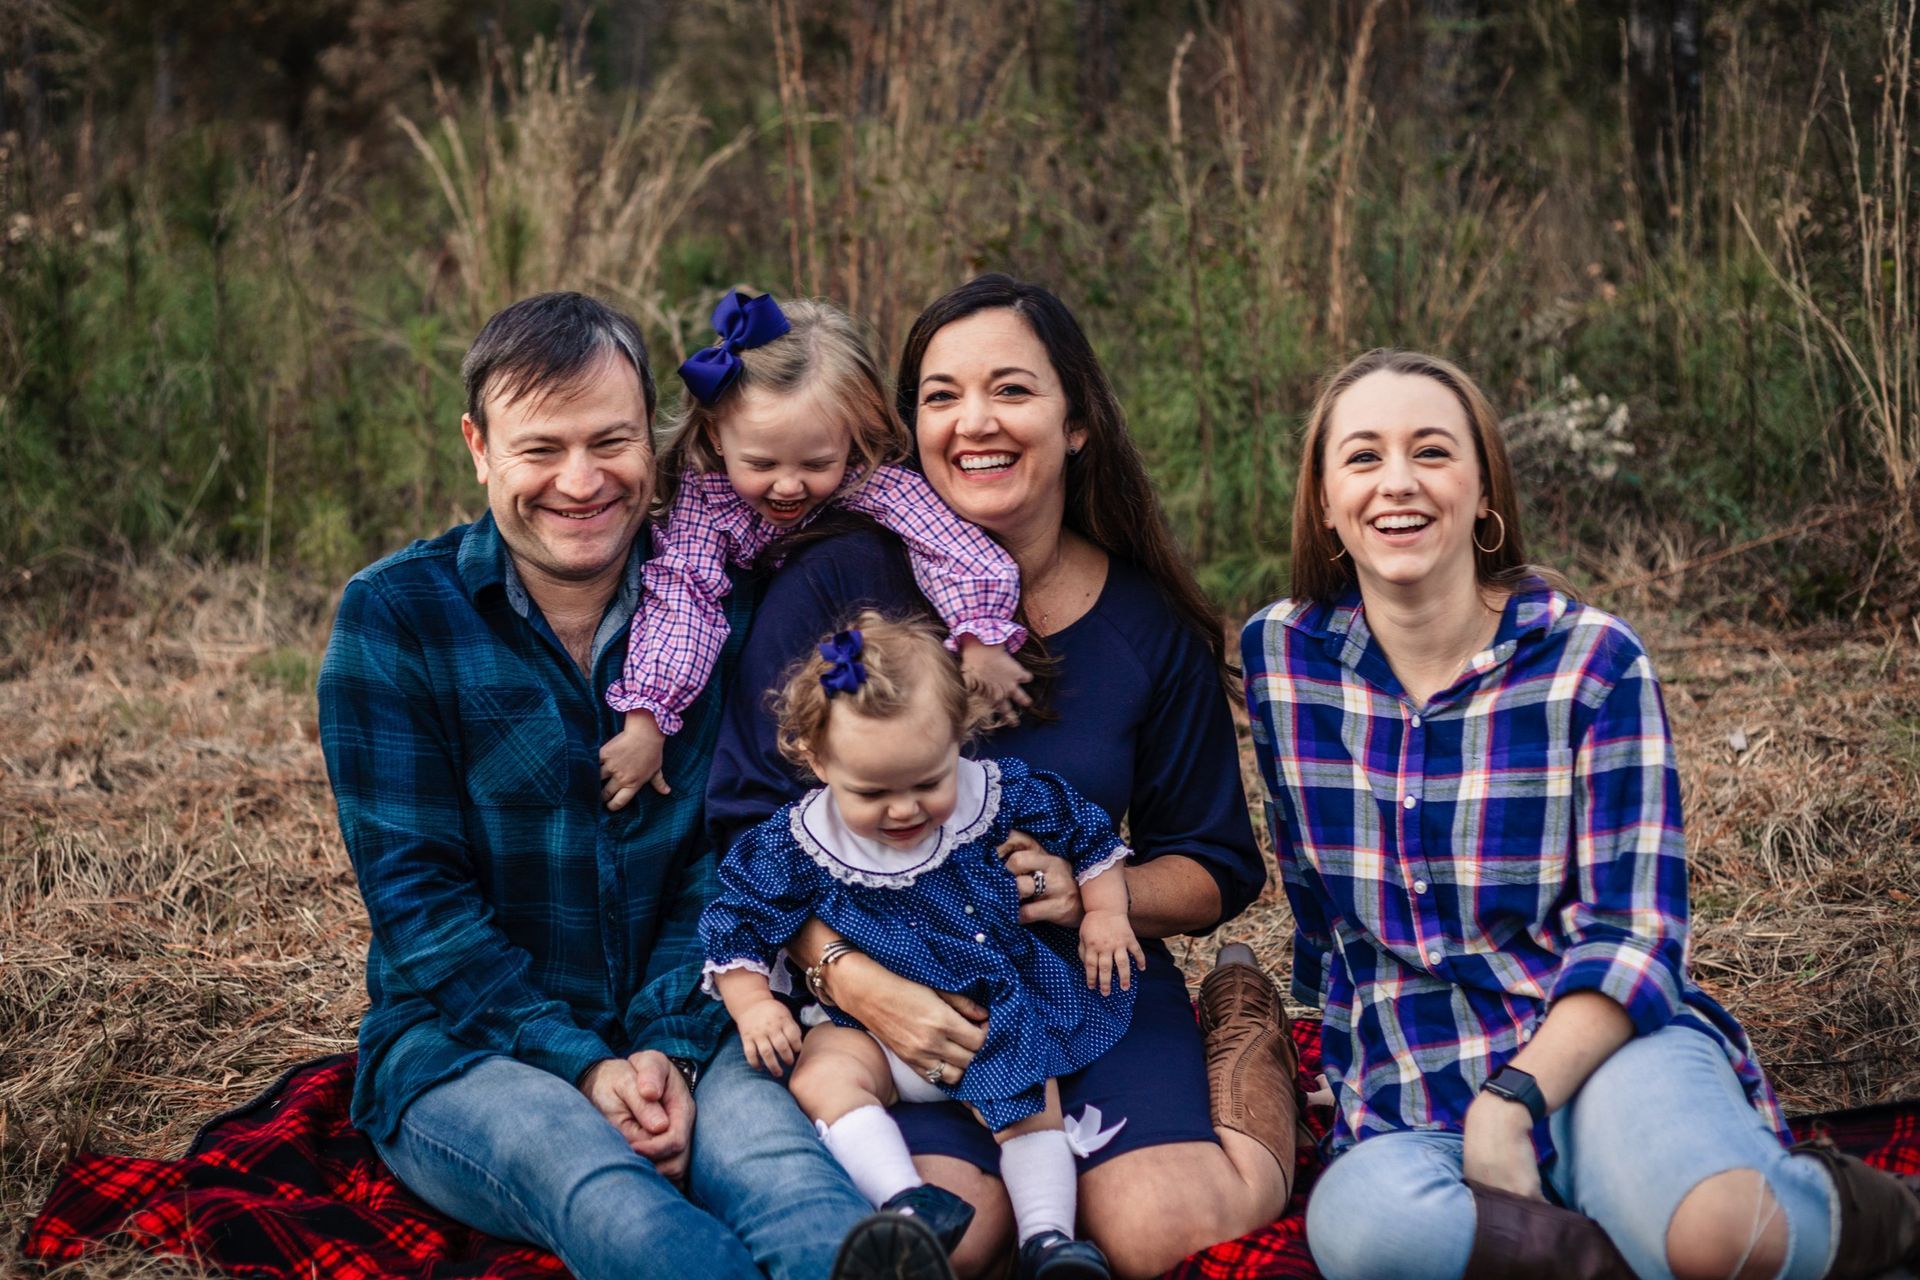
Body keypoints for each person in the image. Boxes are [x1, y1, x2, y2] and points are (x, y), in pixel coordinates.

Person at [1241, 347, 1920, 1280]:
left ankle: (1872, 1215)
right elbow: (1312, 886)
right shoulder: (1283, 660)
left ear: (1485, 493)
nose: (1397, 482)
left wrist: (1512, 1101)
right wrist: (1328, 1028)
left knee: (1726, 1238)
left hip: (1600, 1053)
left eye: (1432, 452)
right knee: (1368, 1235)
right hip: (1410, 1090)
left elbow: (1636, 932)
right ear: (1324, 502)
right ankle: (1622, 1253)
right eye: (1363, 457)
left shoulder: (1592, 662)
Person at [315, 291, 946, 1280]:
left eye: (609, 440)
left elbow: (736, 853)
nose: (580, 480)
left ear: (653, 441)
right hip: (471, 1048)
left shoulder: (727, 606)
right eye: (540, 448)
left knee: (791, 1181)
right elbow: (422, 909)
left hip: (701, 1016)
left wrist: (667, 1047)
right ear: (479, 447)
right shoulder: (396, 620)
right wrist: (589, 1064)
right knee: (611, 1197)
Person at [707, 275, 1301, 1279]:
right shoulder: (840, 582)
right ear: (907, 425)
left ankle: (1247, 1034)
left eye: (1011, 390)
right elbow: (745, 829)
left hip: (1086, 976)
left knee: (1156, 1225)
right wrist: (850, 978)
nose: (972, 422)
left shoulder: (1145, 624)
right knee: (958, 1237)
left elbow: (1211, 861)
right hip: (900, 985)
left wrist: (1089, 892)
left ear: (1075, 419)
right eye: (940, 395)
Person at [703, 612, 1142, 1279]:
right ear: (818, 762)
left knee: (1030, 1094)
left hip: (984, 1009)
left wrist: (1105, 911)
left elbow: (1086, 835)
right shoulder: (796, 842)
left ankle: (1050, 1240)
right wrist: (751, 1002)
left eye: (926, 783)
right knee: (822, 1073)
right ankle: (907, 1205)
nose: (904, 810)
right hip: (864, 1025)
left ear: (958, 741)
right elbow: (734, 916)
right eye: (873, 792)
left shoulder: (995, 796)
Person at [598, 290, 1032, 810]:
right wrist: (648, 717)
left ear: (852, 435)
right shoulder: (705, 497)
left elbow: (945, 540)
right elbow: (683, 597)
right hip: (748, 712)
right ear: (716, 435)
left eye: (815, 464)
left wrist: (980, 632)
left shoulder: (871, 480)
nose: (787, 486)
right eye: (761, 465)